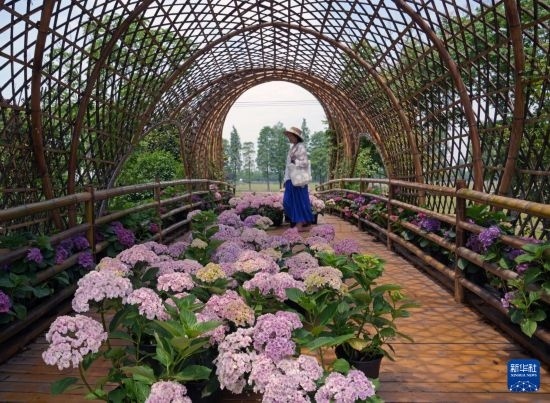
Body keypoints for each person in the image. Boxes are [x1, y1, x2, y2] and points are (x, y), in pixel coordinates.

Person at [282, 126, 314, 231]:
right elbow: (287, 166)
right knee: (288, 201)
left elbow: (305, 163)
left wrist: (294, 161)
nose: (288, 137)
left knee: (298, 201)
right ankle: (302, 223)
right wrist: (285, 180)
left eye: (290, 136)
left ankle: (300, 225)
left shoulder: (300, 147)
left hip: (298, 180)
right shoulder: (293, 147)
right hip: (290, 179)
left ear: (296, 137)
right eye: (288, 135)